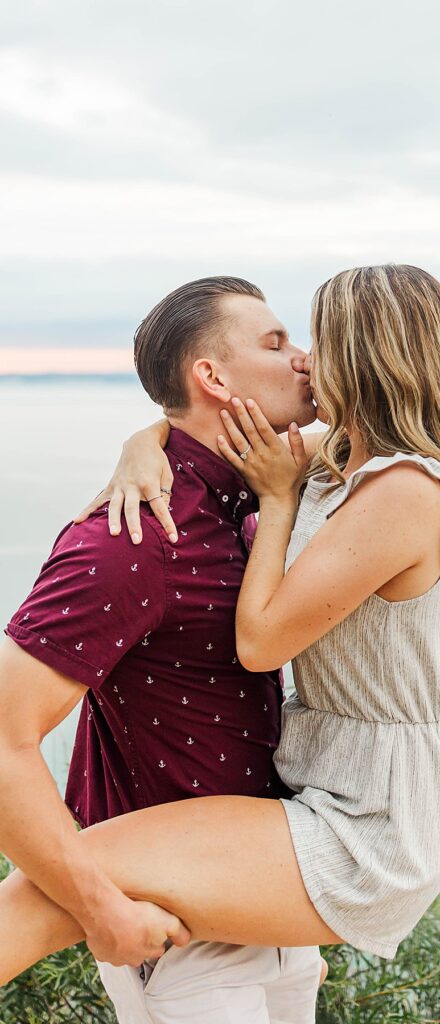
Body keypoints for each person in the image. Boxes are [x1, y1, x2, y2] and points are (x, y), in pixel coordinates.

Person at [0, 264, 440, 990]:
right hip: (307, 799)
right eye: (284, 343)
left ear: (364, 356)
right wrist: (149, 441)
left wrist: (257, 488)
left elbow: (261, 639)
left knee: (40, 901)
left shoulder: (397, 490)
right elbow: (202, 427)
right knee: (51, 896)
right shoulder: (326, 475)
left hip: (366, 819)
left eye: (314, 341)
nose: (303, 359)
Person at [0, 276, 326, 1023]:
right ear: (211, 377)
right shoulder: (136, 536)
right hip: (175, 930)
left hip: (264, 902)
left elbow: (388, 424)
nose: (304, 360)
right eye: (276, 344)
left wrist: (146, 436)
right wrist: (100, 909)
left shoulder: (252, 494)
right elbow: (2, 736)